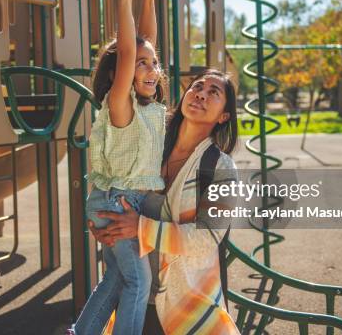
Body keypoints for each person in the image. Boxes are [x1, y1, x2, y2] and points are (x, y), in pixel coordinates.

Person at [91, 69, 241, 334]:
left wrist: (140, 227)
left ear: (224, 116)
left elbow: (207, 237)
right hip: (133, 297)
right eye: (198, 87)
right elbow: (112, 184)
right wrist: (104, 220)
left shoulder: (221, 168)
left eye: (213, 93)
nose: (201, 95)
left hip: (188, 306)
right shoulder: (151, 145)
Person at [69, 0, 169, 335]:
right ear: (119, 74)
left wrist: (148, 0)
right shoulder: (120, 104)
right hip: (119, 202)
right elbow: (129, 50)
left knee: (116, 280)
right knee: (139, 283)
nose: (152, 69)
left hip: (119, 201)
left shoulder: (143, 108)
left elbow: (144, 42)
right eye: (141, 64)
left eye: (154, 63)